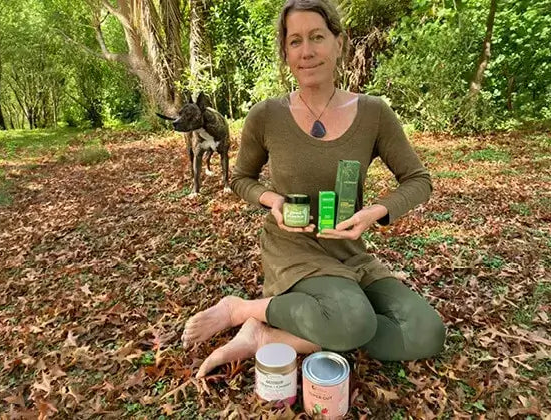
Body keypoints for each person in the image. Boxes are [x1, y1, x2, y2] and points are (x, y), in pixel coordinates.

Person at [183, 0, 445, 378]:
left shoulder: (374, 113)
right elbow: (241, 179)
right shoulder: (266, 115)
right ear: (285, 51)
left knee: (425, 332)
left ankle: (271, 334)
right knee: (353, 320)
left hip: (350, 252)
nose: (306, 51)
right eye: (295, 41)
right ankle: (240, 309)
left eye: (317, 37)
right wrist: (272, 201)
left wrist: (374, 213)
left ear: (339, 43)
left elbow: (419, 180)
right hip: (293, 251)